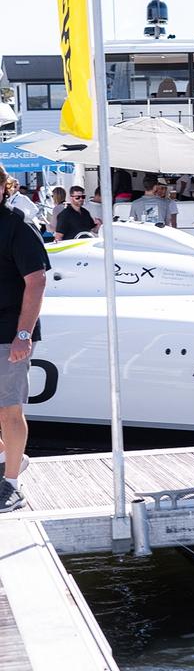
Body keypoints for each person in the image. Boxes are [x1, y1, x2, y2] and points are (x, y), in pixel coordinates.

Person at [0, 164, 49, 512]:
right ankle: (11, 456)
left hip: (8, 334)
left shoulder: (16, 225)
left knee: (9, 412)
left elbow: (37, 281)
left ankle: (12, 484)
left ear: (4, 187)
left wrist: (23, 335)